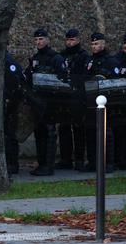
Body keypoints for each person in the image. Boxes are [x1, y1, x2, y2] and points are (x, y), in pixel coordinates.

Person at [25, 28, 66, 176]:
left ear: (47, 40)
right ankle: (41, 164)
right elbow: (28, 77)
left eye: (41, 39)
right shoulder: (35, 58)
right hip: (37, 102)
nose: (38, 42)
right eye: (36, 40)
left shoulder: (56, 58)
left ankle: (48, 166)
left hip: (51, 102)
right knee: (39, 133)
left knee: (49, 133)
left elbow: (63, 79)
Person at [84, 32, 120, 171]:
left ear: (103, 44)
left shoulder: (111, 61)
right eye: (92, 44)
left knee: (107, 133)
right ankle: (93, 162)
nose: (94, 46)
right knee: (90, 132)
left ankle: (109, 163)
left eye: (96, 43)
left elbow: (115, 82)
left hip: (107, 102)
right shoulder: (89, 61)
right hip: (90, 102)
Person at [57, 28, 88, 171]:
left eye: (72, 40)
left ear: (78, 40)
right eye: (68, 40)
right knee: (63, 128)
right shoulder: (62, 55)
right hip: (64, 96)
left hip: (78, 96)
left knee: (78, 128)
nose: (69, 43)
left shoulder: (83, 56)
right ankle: (66, 159)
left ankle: (79, 159)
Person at [4, 52, 26, 175]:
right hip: (7, 103)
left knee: (9, 135)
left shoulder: (8, 62)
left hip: (10, 104)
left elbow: (16, 84)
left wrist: (10, 100)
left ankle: (11, 164)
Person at [114, 33, 126, 170]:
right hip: (122, 102)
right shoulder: (118, 59)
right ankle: (121, 160)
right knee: (121, 132)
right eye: (125, 48)